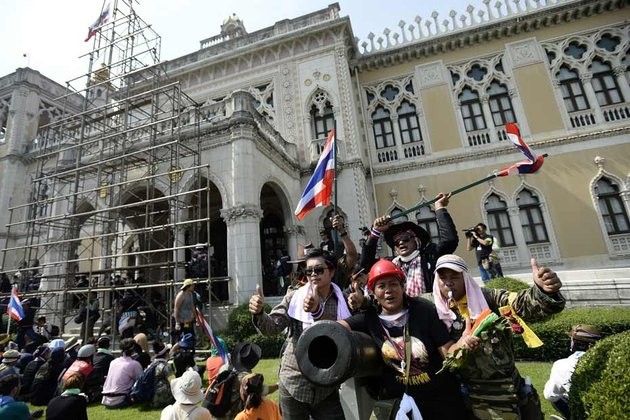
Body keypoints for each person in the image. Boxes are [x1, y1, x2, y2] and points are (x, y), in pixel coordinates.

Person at [430, 254, 565, 419]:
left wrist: (543, 290)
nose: (448, 282)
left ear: (465, 278)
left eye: (454, 277)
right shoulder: (433, 311)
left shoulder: (489, 298)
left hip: (515, 386)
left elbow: (519, 304)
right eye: (442, 277)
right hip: (480, 397)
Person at [339, 259, 469, 419]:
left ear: (402, 286)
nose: (388, 291)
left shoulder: (424, 311)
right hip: (401, 405)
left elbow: (447, 351)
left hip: (439, 402)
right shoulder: (369, 319)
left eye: (393, 284)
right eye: (381, 286)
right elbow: (337, 328)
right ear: (372, 292)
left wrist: (462, 345)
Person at [249, 248, 351, 419]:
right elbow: (273, 327)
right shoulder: (294, 297)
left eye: (319, 270)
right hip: (294, 381)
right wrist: (259, 312)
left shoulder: (343, 300)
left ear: (331, 271)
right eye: (309, 271)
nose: (313, 275)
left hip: (326, 384)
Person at [362, 192, 457, 297]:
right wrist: (376, 231)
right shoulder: (391, 265)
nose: (401, 242)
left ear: (416, 241)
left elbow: (450, 241)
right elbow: (366, 264)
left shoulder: (430, 256)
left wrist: (439, 207)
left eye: (405, 238)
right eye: (396, 241)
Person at [543, 324, 602, 419]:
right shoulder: (612, 361)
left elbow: (550, 395)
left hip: (581, 409)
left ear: (574, 343)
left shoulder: (561, 365)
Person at [101, 338, 143, 409]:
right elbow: (141, 381)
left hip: (106, 399)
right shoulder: (134, 364)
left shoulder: (113, 362)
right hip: (120, 400)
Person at [151, 340, 175, 408]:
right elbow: (173, 382)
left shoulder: (151, 364)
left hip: (151, 398)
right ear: (166, 353)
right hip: (162, 399)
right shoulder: (166, 366)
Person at [173, 279, 196, 346]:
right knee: (181, 338)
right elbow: (176, 308)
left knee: (190, 335)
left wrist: (195, 317)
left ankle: (189, 350)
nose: (193, 286)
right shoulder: (181, 295)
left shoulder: (190, 294)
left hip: (188, 321)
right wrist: (177, 322)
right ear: (188, 286)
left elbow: (192, 306)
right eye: (192, 285)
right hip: (181, 321)